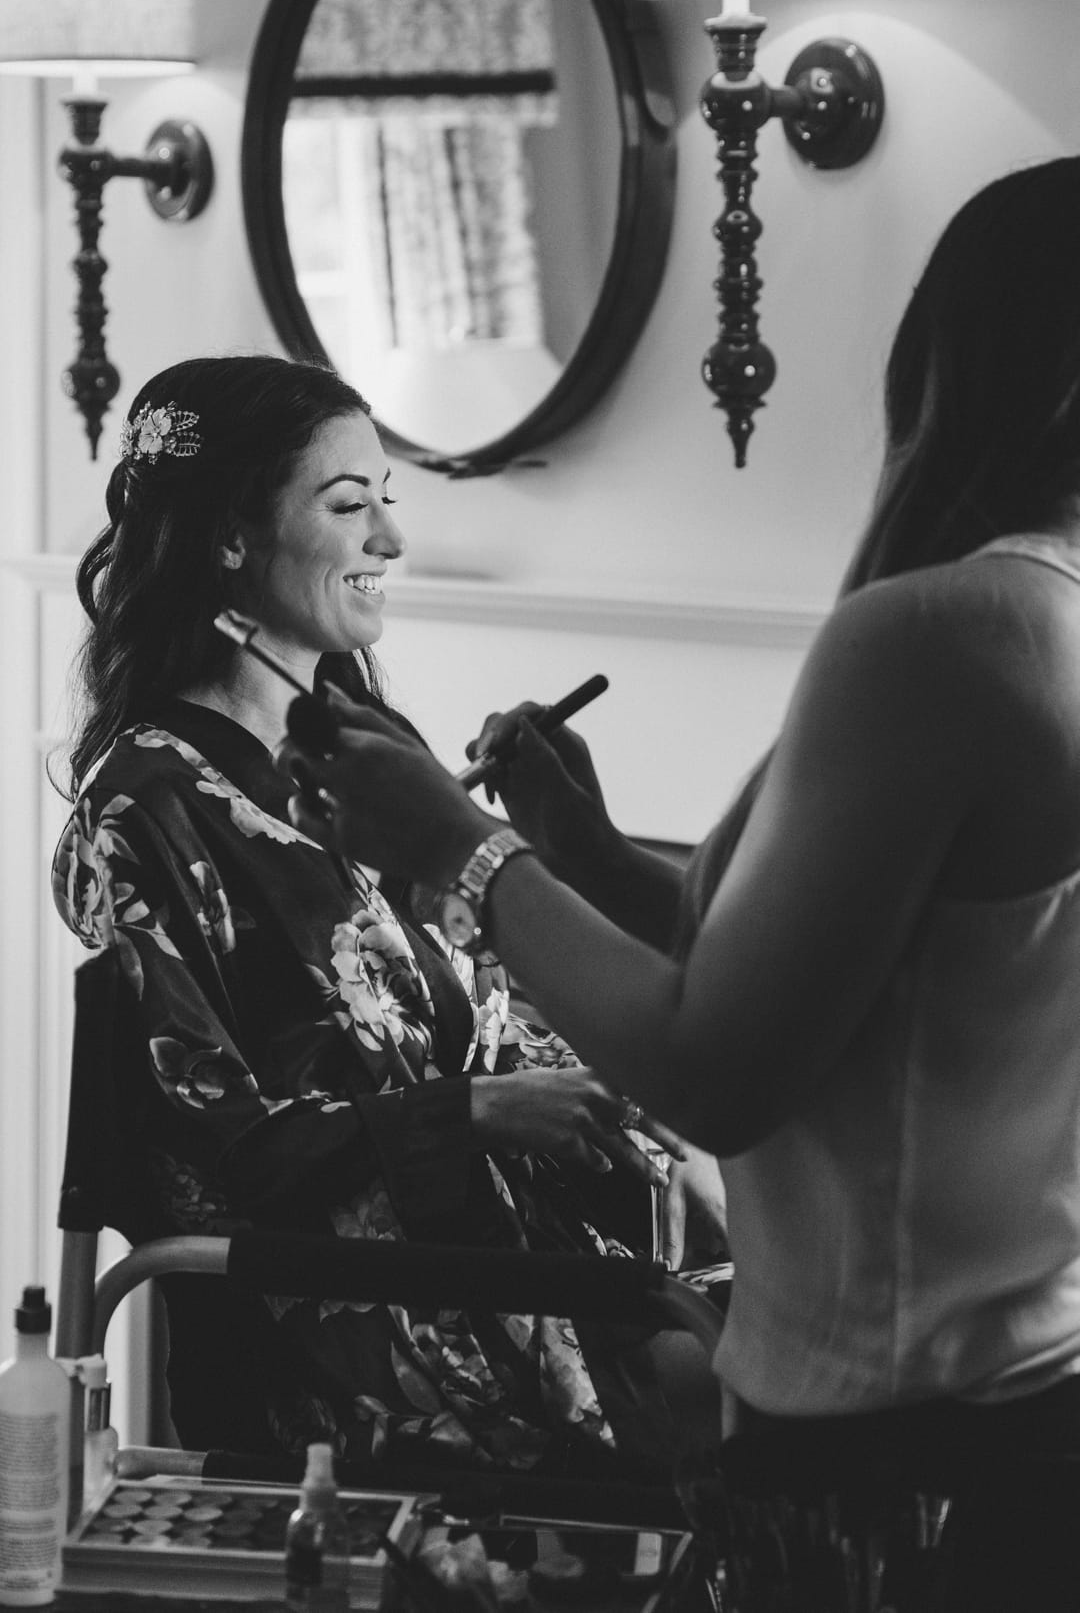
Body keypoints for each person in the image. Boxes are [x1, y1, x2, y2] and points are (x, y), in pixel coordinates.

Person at [280, 158, 1080, 1607]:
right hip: (1026, 1394)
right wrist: (581, 857)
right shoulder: (1044, 622)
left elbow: (716, 1073)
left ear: (963, 361)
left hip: (902, 1464)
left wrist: (460, 851)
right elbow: (869, 981)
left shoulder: (950, 635)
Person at [51, 354, 725, 1478]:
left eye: (387, 501)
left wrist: (617, 1076)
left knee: (807, 1362)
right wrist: (474, 1111)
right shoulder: (143, 810)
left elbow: (475, 1001)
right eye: (347, 505)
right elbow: (205, 1158)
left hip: (511, 1261)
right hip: (353, 1324)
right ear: (227, 536)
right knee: (757, 1420)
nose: (390, 543)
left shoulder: (369, 758)